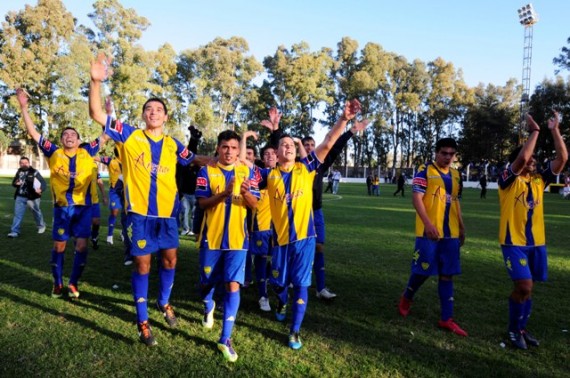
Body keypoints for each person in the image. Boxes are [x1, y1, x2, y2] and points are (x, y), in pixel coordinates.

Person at [89, 52, 202, 346]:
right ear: (143, 115)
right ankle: (142, 322)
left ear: (165, 116)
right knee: (142, 266)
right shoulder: (129, 136)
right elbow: (97, 114)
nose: (153, 112)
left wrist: (219, 159)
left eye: (158, 109)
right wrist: (95, 81)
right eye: (148, 109)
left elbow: (193, 160)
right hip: (139, 216)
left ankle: (164, 302)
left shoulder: (172, 144)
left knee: (170, 260)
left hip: (167, 218)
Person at [258, 100, 368, 350]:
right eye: (282, 144)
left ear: (295, 151)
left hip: (305, 239)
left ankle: (295, 331)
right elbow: (248, 182)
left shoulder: (306, 168)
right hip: (279, 241)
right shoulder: (268, 175)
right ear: (275, 152)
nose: (287, 147)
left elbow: (329, 142)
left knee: (301, 284)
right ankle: (281, 301)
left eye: (290, 144)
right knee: (278, 284)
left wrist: (344, 119)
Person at [16, 88, 100, 300]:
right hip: (62, 208)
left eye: (73, 134)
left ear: (79, 140)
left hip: (83, 208)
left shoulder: (87, 151)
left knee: (81, 246)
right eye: (65, 134)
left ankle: (73, 283)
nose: (69, 136)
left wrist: (109, 111)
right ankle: (57, 282)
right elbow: (34, 133)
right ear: (61, 139)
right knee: (59, 246)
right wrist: (24, 107)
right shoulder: (53, 152)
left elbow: (107, 133)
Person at [498, 112, 567, 349]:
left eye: (535, 160)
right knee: (524, 286)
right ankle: (512, 330)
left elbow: (563, 158)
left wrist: (554, 130)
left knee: (529, 289)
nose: (532, 162)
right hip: (513, 242)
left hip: (536, 243)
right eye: (529, 160)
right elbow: (522, 158)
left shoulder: (539, 181)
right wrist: (535, 132)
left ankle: (521, 329)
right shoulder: (507, 179)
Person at [196, 130, 260, 362]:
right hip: (211, 239)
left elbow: (255, 205)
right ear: (218, 148)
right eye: (225, 147)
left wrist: (245, 193)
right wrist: (225, 191)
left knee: (233, 285)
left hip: (238, 240)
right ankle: (208, 305)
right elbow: (203, 203)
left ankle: (225, 338)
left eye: (234, 147)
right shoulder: (207, 171)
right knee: (206, 283)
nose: (230, 151)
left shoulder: (247, 171)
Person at [398, 137, 468, 337]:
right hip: (428, 232)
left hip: (451, 234)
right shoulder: (425, 170)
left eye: (451, 154)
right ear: (436, 153)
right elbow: (416, 198)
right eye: (444, 153)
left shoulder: (456, 175)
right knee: (423, 271)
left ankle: (447, 318)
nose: (447, 157)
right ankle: (407, 297)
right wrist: (428, 224)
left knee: (447, 274)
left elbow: (455, 202)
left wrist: (462, 228)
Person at [8, 156, 47, 237]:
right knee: (18, 214)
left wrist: (41, 189)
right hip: (20, 196)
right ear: (20, 164)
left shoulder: (34, 172)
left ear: (29, 163)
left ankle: (41, 226)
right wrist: (16, 183)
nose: (24, 164)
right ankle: (15, 231)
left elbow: (43, 182)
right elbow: (13, 183)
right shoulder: (19, 171)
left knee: (36, 212)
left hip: (32, 197)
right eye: (22, 163)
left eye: (26, 163)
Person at [177, 125, 202, 237]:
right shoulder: (183, 166)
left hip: (195, 194)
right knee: (185, 212)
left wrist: (194, 138)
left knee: (193, 213)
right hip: (185, 193)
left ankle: (192, 229)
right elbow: (189, 153)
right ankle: (185, 229)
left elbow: (193, 152)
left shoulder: (198, 168)